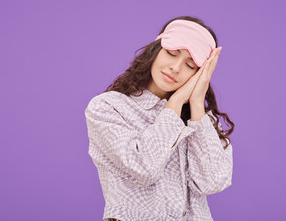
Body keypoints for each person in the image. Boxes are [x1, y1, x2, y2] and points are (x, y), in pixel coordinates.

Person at [84, 16, 234, 221]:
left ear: (200, 75)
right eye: (172, 53)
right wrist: (175, 104)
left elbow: (212, 182)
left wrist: (197, 103)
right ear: (155, 50)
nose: (176, 67)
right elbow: (144, 168)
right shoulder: (108, 108)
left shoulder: (203, 122)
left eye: (190, 65)